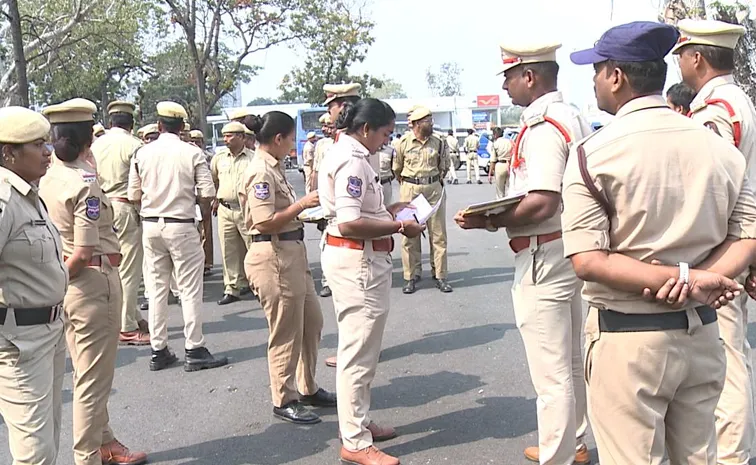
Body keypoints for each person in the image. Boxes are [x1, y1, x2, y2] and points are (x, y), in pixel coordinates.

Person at [565, 21, 756, 464]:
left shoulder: (594, 154)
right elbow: (747, 235)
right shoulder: (718, 148)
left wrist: (683, 278)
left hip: (629, 340)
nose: (593, 80)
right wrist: (699, 280)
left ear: (616, 76)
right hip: (702, 331)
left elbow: (589, 261)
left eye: (597, 70)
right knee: (698, 456)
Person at [454, 40, 591, 465]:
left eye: (510, 77)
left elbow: (542, 201)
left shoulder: (545, 124)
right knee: (568, 362)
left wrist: (489, 219)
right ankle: (573, 443)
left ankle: (557, 455)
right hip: (569, 246)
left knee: (551, 371)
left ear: (529, 76)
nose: (508, 86)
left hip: (544, 251)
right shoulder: (571, 115)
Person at [39, 98, 147, 465]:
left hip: (72, 284)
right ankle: (87, 456)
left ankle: (106, 442)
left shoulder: (49, 177)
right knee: (93, 379)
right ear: (88, 138)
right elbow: (84, 251)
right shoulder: (84, 183)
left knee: (88, 371)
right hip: (90, 280)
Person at [318, 97, 426, 465]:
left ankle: (358, 422)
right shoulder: (351, 159)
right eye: (384, 133)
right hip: (357, 258)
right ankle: (355, 439)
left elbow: (361, 212)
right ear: (366, 129)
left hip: (361, 255)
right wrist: (399, 225)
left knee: (363, 348)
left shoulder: (354, 155)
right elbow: (349, 222)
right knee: (358, 353)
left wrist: (389, 212)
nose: (386, 141)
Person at [674, 19, 756, 464]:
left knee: (723, 362)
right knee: (729, 353)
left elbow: (712, 190)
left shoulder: (713, 111)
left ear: (697, 57)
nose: (679, 63)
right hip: (737, 241)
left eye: (681, 54)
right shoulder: (735, 99)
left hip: (719, 246)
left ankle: (730, 457)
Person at [239, 111, 336, 425]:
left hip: (292, 252)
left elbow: (282, 213)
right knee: (285, 331)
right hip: (273, 255)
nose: (294, 145)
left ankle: (307, 387)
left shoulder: (275, 167)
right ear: (278, 139)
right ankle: (284, 397)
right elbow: (263, 219)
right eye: (291, 138)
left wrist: (305, 214)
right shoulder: (260, 172)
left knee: (312, 322)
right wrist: (302, 205)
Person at [128, 101, 228, 372]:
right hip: (181, 223)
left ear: (159, 126)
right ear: (182, 127)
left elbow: (133, 195)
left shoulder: (142, 153)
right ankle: (194, 347)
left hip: (151, 225)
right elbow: (207, 193)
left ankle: (158, 349)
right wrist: (200, 219)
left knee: (157, 289)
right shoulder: (192, 153)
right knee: (189, 289)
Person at [0, 106, 67, 465]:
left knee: (47, 440)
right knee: (34, 453)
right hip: (19, 342)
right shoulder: (4, 198)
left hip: (47, 331)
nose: (47, 151)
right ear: (9, 153)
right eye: (37, 144)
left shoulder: (27, 192)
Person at [91, 100, 149, 346]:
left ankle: (131, 315)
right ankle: (126, 324)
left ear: (111, 120)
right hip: (125, 206)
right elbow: (141, 183)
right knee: (129, 269)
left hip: (100, 206)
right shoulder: (135, 145)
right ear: (131, 122)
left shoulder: (96, 144)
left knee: (111, 266)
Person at [393, 106, 453, 295]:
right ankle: (411, 275)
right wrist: (411, 184)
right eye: (427, 120)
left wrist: (432, 181)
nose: (431, 123)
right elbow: (397, 169)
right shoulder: (402, 143)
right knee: (409, 234)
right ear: (417, 124)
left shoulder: (439, 142)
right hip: (410, 190)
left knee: (438, 234)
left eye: (431, 119)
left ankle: (440, 275)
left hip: (434, 189)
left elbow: (444, 165)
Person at [211, 121, 255, 305]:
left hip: (247, 209)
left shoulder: (253, 158)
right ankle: (232, 287)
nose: (226, 139)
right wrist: (215, 199)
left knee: (253, 249)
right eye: (225, 136)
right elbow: (213, 179)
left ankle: (256, 284)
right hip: (225, 209)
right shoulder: (219, 158)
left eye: (230, 136)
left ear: (242, 137)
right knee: (228, 250)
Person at [189, 129, 215, 274]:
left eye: (197, 141)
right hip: (189, 196)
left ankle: (206, 262)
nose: (194, 143)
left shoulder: (207, 156)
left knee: (206, 230)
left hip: (203, 197)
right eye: (192, 140)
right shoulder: (186, 153)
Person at [488, 127, 513, 198]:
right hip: (509, 165)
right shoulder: (509, 142)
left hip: (500, 165)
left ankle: (501, 205)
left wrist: (490, 174)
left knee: (500, 191)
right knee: (509, 189)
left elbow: (493, 160)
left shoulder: (495, 144)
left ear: (495, 135)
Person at [377, 141, 395, 206]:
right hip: (370, 186)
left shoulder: (390, 150)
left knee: (386, 209)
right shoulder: (367, 149)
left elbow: (395, 169)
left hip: (385, 184)